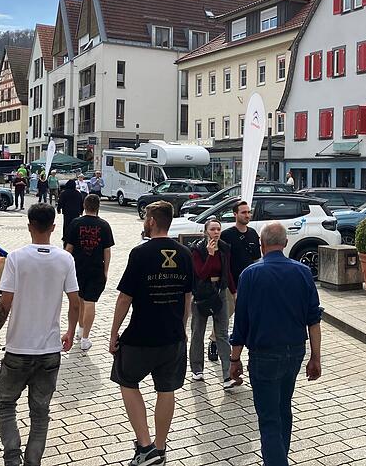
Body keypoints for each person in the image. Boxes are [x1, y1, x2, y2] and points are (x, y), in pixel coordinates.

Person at [0, 203, 80, 466]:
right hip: (49, 350)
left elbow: (4, 305)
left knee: (6, 405)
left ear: (29, 226)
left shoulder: (16, 258)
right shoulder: (65, 259)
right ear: (53, 227)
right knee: (40, 413)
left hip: (17, 348)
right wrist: (71, 331)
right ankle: (32, 462)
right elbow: (75, 302)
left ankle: (12, 457)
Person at [229, 222, 322, 466]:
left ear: (261, 244)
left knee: (269, 418)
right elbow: (313, 319)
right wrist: (316, 357)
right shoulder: (303, 272)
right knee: (283, 408)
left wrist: (234, 359)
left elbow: (241, 324)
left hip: (264, 354)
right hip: (295, 352)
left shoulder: (250, 274)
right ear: (286, 243)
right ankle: (278, 457)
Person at [109, 201, 193, 466]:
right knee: (166, 390)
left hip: (141, 336)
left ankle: (145, 447)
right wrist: (182, 327)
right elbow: (187, 297)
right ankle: (160, 447)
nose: (145, 221)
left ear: (152, 221)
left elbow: (125, 298)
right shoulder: (185, 253)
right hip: (173, 336)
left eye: (146, 217)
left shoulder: (140, 253)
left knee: (127, 381)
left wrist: (113, 332)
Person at [208, 201, 261, 362]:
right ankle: (214, 342)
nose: (247, 215)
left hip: (249, 285)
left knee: (250, 317)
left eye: (248, 212)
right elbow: (221, 260)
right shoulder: (227, 235)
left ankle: (251, 347)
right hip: (230, 284)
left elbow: (256, 260)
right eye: (243, 212)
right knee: (225, 317)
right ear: (235, 214)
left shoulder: (253, 233)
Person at [189, 216, 238, 389]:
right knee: (198, 331)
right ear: (205, 232)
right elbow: (201, 274)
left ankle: (227, 375)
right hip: (202, 293)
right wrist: (210, 255)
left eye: (218, 229)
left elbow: (227, 271)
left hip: (220, 291)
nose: (216, 232)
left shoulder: (224, 247)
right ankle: (197, 369)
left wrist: (234, 292)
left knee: (222, 333)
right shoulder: (197, 249)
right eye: (212, 229)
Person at [65, 194, 114, 351]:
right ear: (98, 207)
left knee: (79, 300)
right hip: (96, 268)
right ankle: (85, 338)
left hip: (77, 268)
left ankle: (79, 330)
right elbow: (107, 251)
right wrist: (106, 270)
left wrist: (64, 269)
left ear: (84, 206)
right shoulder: (104, 226)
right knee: (90, 302)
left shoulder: (75, 223)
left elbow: (68, 248)